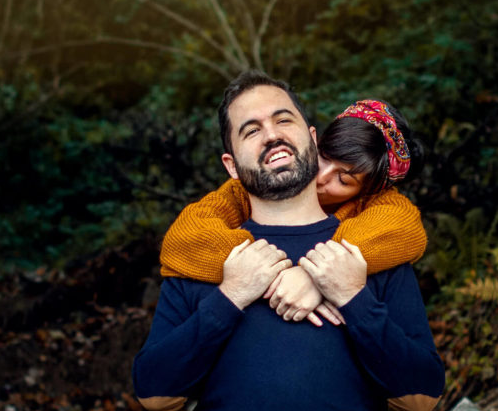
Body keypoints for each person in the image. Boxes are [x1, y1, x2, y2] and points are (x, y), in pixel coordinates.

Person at [132, 71, 445, 411]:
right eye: (251, 130)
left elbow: (422, 399)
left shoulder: (374, 251)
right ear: (231, 165)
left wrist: (351, 296)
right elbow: (154, 394)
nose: (271, 134)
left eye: (283, 119)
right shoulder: (201, 255)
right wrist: (231, 295)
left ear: (312, 139)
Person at [159, 98, 428, 326]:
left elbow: (406, 227)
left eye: (343, 179)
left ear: (365, 191)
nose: (321, 176)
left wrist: (316, 276)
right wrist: (269, 274)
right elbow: (185, 237)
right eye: (323, 156)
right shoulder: (254, 188)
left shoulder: (371, 205)